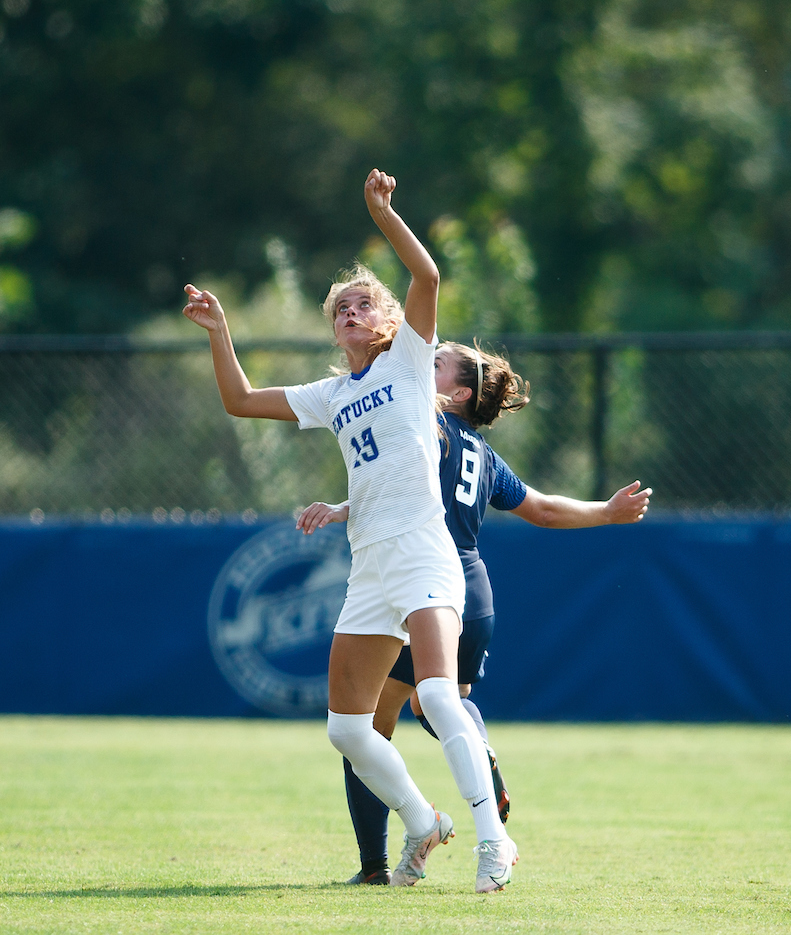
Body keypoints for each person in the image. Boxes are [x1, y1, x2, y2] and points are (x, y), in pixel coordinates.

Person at [183, 169, 518, 893]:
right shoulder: (334, 393)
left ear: (391, 321)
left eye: (363, 302)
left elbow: (426, 271)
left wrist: (382, 213)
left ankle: (495, 842)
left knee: (434, 695)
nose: (350, 311)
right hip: (368, 565)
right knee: (344, 729)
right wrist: (221, 332)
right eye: (340, 307)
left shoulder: (407, 364)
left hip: (426, 552)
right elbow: (240, 400)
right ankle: (424, 821)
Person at [297, 340, 652, 886]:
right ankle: (471, 751)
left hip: (420, 582)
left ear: (458, 392)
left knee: (371, 724)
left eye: (435, 363)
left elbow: (397, 490)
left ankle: (378, 863)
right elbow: (541, 508)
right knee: (435, 703)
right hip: (472, 591)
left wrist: (344, 507)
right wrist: (606, 511)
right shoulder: (481, 453)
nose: (421, 362)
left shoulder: (423, 425)